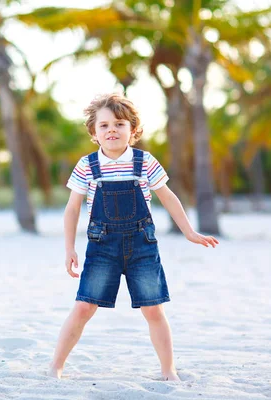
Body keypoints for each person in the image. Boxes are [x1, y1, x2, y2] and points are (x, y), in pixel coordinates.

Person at [49, 93, 219, 381]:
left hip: (142, 246)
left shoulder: (145, 162)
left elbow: (168, 197)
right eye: (103, 126)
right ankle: (55, 367)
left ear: (133, 130)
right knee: (83, 307)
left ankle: (169, 371)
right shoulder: (87, 166)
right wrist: (69, 248)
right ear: (94, 132)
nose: (111, 130)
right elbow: (72, 209)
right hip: (102, 247)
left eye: (119, 124)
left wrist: (189, 232)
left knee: (154, 310)